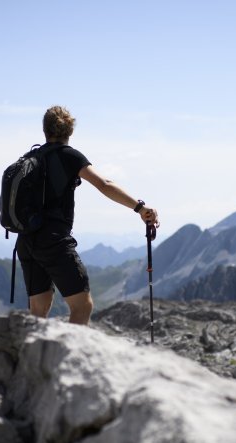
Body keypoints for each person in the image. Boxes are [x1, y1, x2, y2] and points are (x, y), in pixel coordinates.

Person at [16, 105, 160, 325]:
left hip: (26, 240)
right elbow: (104, 184)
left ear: (45, 130)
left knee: (38, 310)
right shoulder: (69, 156)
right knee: (83, 306)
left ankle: (31, 358)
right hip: (54, 240)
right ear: (70, 131)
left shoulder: (32, 157)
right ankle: (67, 359)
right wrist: (140, 208)